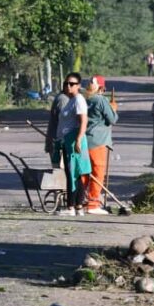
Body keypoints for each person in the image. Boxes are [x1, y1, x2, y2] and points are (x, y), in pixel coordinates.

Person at [52, 72, 90, 216]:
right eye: (66, 83)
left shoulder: (79, 99)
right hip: (67, 141)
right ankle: (78, 207)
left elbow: (83, 121)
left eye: (72, 84)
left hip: (74, 140)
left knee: (73, 174)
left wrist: (78, 140)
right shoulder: (71, 100)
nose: (68, 86)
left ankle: (71, 207)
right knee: (74, 174)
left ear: (78, 86)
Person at [83, 75, 118, 215]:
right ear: (102, 88)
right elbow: (112, 119)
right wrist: (113, 108)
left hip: (84, 140)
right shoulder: (101, 100)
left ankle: (80, 201)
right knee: (98, 173)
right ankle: (93, 204)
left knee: (84, 173)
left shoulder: (84, 99)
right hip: (98, 142)